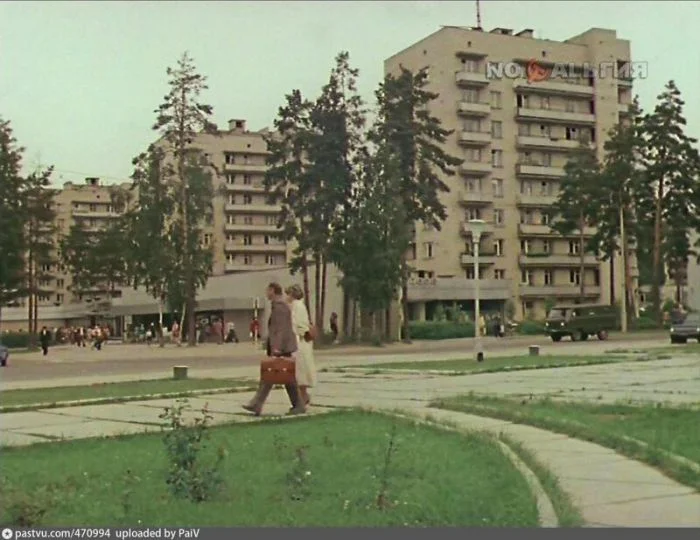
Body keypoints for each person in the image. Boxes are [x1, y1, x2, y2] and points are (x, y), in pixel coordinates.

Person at [243, 282, 305, 416]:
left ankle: (256, 404)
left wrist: (277, 347)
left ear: (272, 290)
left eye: (268, 290)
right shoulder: (279, 306)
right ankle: (297, 405)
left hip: (282, 348)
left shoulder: (280, 307)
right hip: (283, 346)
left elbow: (280, 329)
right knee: (284, 377)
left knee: (273, 376)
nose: (266, 293)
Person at [287, 284, 317, 408]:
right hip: (300, 343)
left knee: (300, 372)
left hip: (300, 343)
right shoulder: (297, 306)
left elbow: (299, 325)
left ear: (292, 294)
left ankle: (303, 398)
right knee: (299, 373)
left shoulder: (297, 306)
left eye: (288, 294)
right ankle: (302, 398)